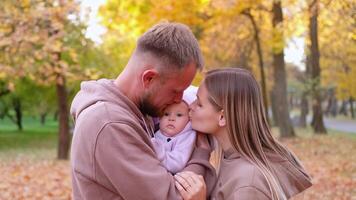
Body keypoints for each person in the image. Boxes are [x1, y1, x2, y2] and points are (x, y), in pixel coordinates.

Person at [70, 22, 216, 200]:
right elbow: (175, 197)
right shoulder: (110, 124)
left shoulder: (138, 111)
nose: (180, 100)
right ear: (148, 78)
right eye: (176, 91)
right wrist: (201, 154)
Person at [174, 68, 312, 200]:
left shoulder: (248, 182)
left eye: (199, 103)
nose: (190, 106)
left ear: (222, 117)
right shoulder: (231, 159)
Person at [151, 86, 198, 174]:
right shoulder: (156, 132)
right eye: (166, 114)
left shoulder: (187, 137)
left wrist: (158, 152)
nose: (171, 118)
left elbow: (177, 164)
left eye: (179, 115)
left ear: (189, 120)